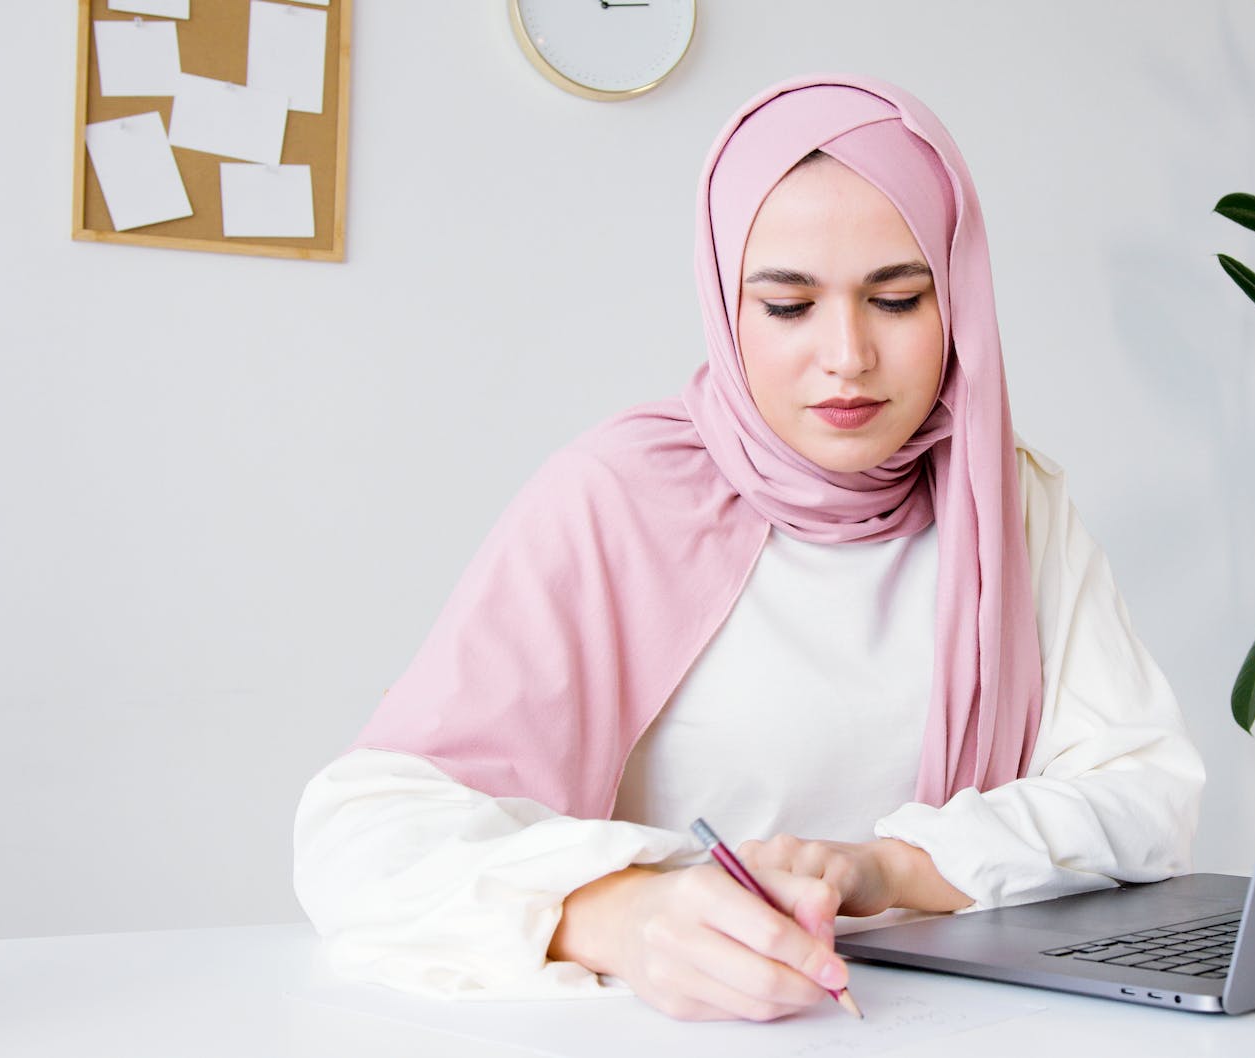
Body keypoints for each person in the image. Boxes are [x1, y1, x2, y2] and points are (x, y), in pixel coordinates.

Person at [292, 73, 1204, 1023]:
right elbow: (359, 830)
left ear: (959, 303)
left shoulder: (1009, 502)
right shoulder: (617, 495)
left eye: (896, 299)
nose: (847, 354)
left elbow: (1146, 798)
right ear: (725, 305)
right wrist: (622, 912)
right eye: (786, 306)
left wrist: (889, 867)